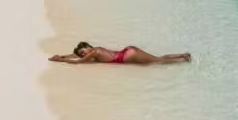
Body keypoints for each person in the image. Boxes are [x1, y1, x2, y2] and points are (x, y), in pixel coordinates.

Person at [49, 41, 191, 65]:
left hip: (128, 55)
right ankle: (182, 56)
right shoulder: (96, 49)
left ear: (87, 47)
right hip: (128, 52)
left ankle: (183, 56)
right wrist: (63, 56)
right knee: (157, 60)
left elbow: (79, 62)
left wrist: (60, 60)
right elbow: (77, 56)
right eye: (81, 52)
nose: (83, 54)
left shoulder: (94, 53)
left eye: (83, 51)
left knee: (159, 61)